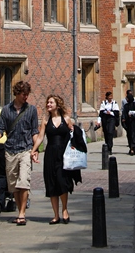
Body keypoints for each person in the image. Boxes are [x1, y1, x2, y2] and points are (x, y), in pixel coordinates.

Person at [31, 95, 84, 224]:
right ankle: (56, 215)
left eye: (51, 102)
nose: (48, 104)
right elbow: (40, 137)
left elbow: (74, 134)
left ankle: (64, 209)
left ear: (57, 104)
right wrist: (34, 150)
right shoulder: (45, 120)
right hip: (50, 154)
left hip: (64, 154)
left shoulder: (66, 119)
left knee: (62, 181)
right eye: (47, 103)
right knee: (51, 183)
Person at [0, 81, 39, 226]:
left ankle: (22, 214)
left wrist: (35, 149)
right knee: (14, 186)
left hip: (25, 149)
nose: (26, 97)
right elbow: (0, 127)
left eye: (27, 94)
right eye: (24, 94)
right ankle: (20, 210)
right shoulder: (6, 110)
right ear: (17, 93)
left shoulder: (31, 110)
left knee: (23, 182)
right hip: (10, 150)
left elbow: (34, 131)